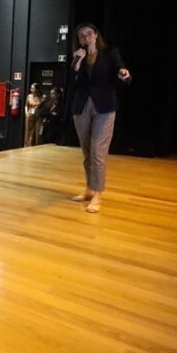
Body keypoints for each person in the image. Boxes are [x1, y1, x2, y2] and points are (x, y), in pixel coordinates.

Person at [69, 23, 131, 213]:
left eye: (89, 34)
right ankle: (89, 188)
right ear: (79, 40)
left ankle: (97, 194)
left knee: (98, 152)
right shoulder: (78, 57)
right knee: (87, 153)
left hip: (104, 106)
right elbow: (73, 82)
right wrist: (77, 62)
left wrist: (124, 74)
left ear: (96, 35)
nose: (86, 37)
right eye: (82, 36)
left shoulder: (110, 52)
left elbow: (121, 70)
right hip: (82, 107)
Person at [24, 83, 44, 147]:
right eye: (31, 88)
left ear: (37, 89)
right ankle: (27, 146)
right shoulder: (29, 96)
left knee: (38, 132)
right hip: (30, 114)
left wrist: (42, 100)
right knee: (28, 131)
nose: (31, 89)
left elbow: (39, 106)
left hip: (38, 115)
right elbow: (26, 106)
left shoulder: (42, 97)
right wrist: (26, 113)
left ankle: (37, 146)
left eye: (33, 88)